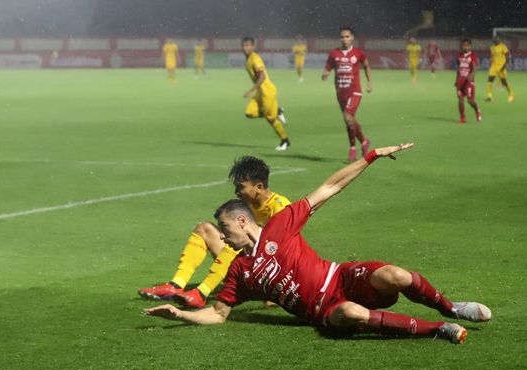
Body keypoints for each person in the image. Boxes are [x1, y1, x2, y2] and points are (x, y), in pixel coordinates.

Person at [145, 143, 492, 344]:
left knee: (397, 276)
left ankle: (450, 308)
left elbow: (330, 188)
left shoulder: (281, 222)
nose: (221, 237)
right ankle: (439, 329)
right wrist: (181, 313)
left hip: (339, 278)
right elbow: (219, 314)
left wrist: (370, 156)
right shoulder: (239, 269)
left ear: (241, 220)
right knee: (352, 313)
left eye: (224, 228)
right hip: (324, 311)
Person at [138, 156, 291, 308]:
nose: (236, 192)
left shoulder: (280, 208)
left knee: (236, 241)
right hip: (248, 261)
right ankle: (176, 284)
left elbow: (281, 249)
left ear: (258, 187)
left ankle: (201, 292)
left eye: (241, 187)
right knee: (205, 229)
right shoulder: (247, 204)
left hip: (270, 269)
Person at [322, 27, 372, 162]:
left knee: (347, 116)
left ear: (352, 37)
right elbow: (328, 67)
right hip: (340, 92)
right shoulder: (334, 54)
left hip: (355, 91)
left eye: (347, 36)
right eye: (342, 37)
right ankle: (357, 145)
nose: (344, 39)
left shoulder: (358, 53)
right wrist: (326, 73)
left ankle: (359, 143)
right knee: (348, 120)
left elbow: (366, 65)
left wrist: (368, 82)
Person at [241, 36, 290, 151]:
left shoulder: (255, 59)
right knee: (249, 113)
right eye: (243, 45)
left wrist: (251, 90)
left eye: (248, 45)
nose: (245, 48)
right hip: (261, 92)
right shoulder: (248, 60)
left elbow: (262, 76)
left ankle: (285, 141)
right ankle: (277, 111)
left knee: (271, 119)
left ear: (253, 47)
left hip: (267, 92)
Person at [455, 38, 481, 124]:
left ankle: (477, 110)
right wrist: (456, 80)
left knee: (470, 101)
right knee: (460, 99)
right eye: (463, 45)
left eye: (467, 45)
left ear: (470, 46)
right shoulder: (459, 56)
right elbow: (458, 69)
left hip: (469, 82)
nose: (465, 47)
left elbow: (474, 68)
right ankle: (462, 118)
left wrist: (471, 76)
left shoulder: (473, 55)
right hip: (460, 81)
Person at [485, 35, 515, 102]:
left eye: (497, 39)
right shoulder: (492, 47)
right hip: (494, 66)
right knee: (489, 80)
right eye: (494, 40)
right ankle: (489, 97)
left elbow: (508, 56)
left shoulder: (503, 46)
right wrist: (490, 61)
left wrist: (505, 65)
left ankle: (511, 94)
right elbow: (493, 56)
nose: (496, 41)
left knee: (504, 82)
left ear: (499, 40)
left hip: (501, 67)